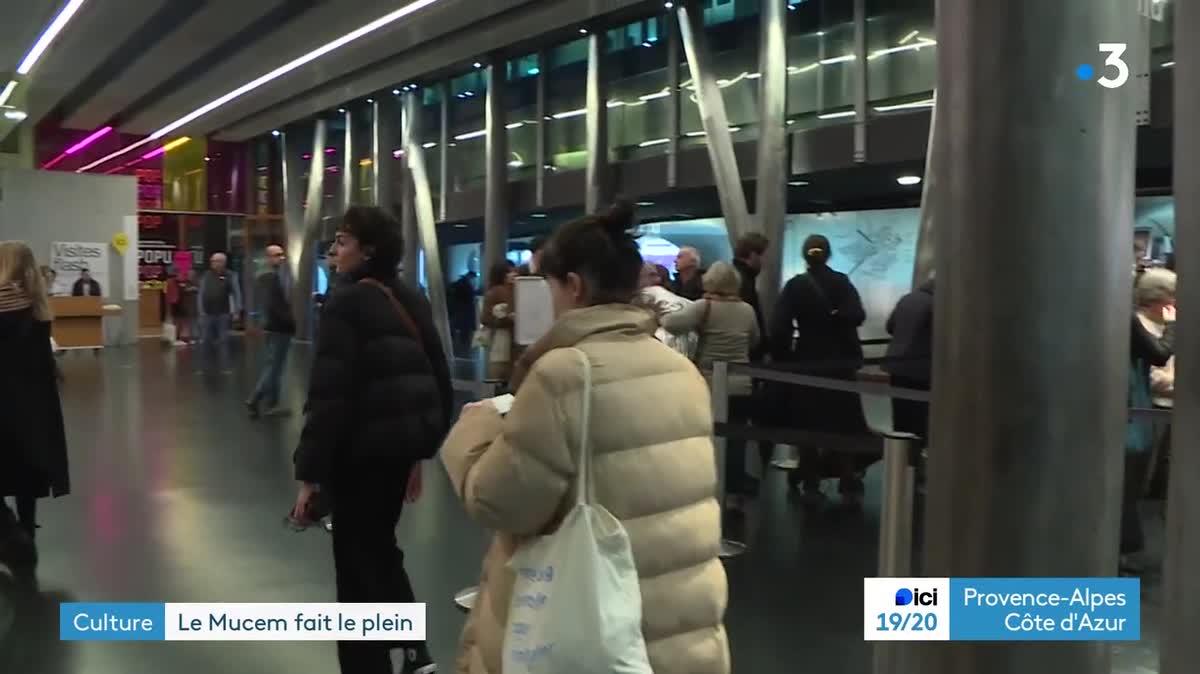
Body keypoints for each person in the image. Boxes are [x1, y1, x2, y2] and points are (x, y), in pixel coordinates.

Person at [440, 202, 728, 674]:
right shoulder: (682, 371)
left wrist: (475, 429)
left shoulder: (566, 373)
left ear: (572, 287)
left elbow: (501, 502)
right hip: (678, 634)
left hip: (589, 632)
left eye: (548, 285)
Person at [291, 207, 451, 674]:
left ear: (368, 250)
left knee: (355, 565)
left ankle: (371, 661)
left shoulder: (345, 302)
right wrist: (417, 453)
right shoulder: (409, 296)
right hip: (395, 456)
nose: (334, 251)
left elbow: (329, 396)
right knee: (378, 546)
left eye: (342, 241)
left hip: (358, 458)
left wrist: (310, 476)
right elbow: (436, 381)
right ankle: (411, 646)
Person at [767, 234, 869, 504]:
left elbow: (779, 328)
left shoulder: (795, 286)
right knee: (843, 423)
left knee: (808, 423)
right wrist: (836, 318)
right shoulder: (842, 283)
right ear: (829, 254)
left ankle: (811, 481)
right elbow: (858, 315)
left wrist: (785, 358)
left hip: (807, 360)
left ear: (804, 256)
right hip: (840, 363)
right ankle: (848, 479)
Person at [662, 261, 759, 506]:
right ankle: (734, 491)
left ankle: (711, 489)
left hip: (709, 383)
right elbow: (754, 339)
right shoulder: (747, 310)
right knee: (737, 439)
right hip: (742, 383)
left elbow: (671, 325)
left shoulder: (704, 306)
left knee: (709, 437)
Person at [0, 242, 70, 553]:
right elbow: (44, 362)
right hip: (32, 403)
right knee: (26, 469)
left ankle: (8, 529)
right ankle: (27, 531)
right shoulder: (38, 306)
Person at [1123, 269, 1175, 574]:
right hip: (1137, 407)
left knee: (1134, 481)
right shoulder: (1135, 322)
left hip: (1137, 406)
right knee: (1129, 479)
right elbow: (1158, 357)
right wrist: (1173, 327)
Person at [884, 275, 935, 442]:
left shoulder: (907, 299)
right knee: (920, 419)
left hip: (896, 366)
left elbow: (890, 327)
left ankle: (900, 456)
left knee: (900, 416)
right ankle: (916, 459)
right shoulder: (936, 304)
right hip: (920, 369)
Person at [246, 245, 296, 419]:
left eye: (282, 255)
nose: (280, 258)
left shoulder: (265, 277)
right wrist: (290, 322)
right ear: (268, 257)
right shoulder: (270, 278)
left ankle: (272, 404)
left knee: (274, 366)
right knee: (274, 367)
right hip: (279, 327)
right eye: (276, 255)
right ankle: (256, 398)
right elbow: (274, 305)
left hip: (272, 326)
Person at [196, 252, 242, 374]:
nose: (213, 263)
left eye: (216, 261)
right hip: (207, 313)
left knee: (223, 340)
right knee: (205, 340)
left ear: (223, 262)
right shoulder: (206, 275)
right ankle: (203, 367)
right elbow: (201, 294)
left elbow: (236, 293)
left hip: (223, 313)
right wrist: (201, 311)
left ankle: (225, 366)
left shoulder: (230, 275)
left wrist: (237, 310)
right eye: (212, 261)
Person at [732, 233, 769, 359]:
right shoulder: (744, 282)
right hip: (745, 355)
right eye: (763, 256)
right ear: (753, 255)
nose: (764, 261)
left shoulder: (736, 276)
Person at [480, 262, 517, 382]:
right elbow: (486, 318)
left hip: (499, 342)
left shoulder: (493, 292)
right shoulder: (503, 292)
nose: (514, 274)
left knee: (499, 375)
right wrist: (506, 319)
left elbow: (485, 318)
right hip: (504, 340)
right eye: (510, 272)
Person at [448, 271, 478, 355]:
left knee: (461, 332)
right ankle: (464, 350)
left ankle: (461, 349)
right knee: (464, 333)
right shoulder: (465, 285)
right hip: (464, 313)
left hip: (459, 312)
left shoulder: (459, 284)